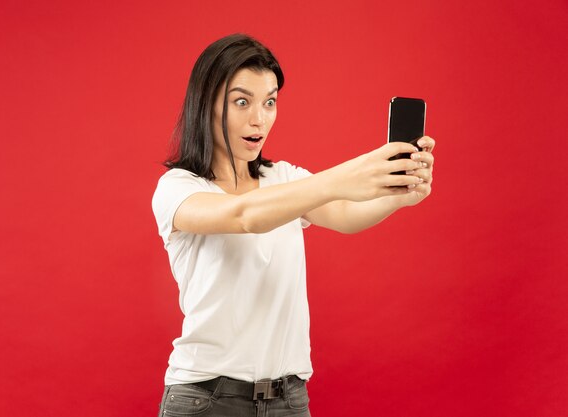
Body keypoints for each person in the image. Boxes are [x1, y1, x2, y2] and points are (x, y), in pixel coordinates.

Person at [152, 33, 435, 417]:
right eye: (241, 102)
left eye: (269, 102)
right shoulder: (178, 188)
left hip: (289, 400)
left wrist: (400, 195)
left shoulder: (283, 178)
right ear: (206, 105)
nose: (259, 118)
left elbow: (347, 216)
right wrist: (342, 176)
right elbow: (244, 216)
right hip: (207, 399)